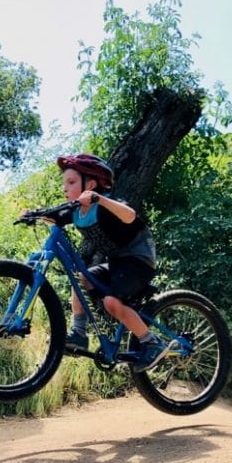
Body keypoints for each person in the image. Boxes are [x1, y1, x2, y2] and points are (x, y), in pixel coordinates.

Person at [48, 153, 174, 372]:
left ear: (90, 185)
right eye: (64, 183)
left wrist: (99, 199)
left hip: (139, 261)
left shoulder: (106, 204)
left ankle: (152, 342)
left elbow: (130, 215)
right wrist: (32, 214)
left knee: (111, 302)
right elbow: (53, 215)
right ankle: (79, 334)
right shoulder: (76, 212)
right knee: (80, 281)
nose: (64, 188)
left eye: (71, 182)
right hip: (117, 263)